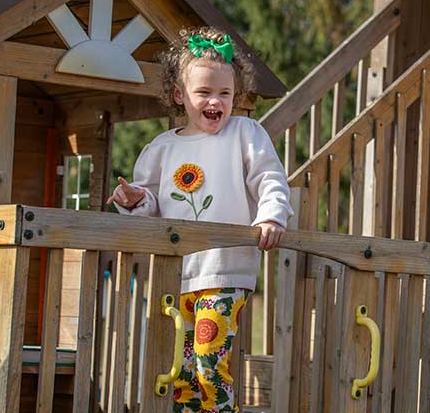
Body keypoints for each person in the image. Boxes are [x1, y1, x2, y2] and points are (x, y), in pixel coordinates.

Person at [107, 26, 293, 412]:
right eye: (204, 92)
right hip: (175, 276)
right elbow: (151, 205)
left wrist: (271, 216)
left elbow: (270, 178)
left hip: (224, 271)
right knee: (181, 372)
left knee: (210, 364)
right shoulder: (161, 148)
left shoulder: (245, 133)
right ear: (180, 94)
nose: (215, 101)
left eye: (225, 93)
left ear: (236, 95)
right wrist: (135, 199)